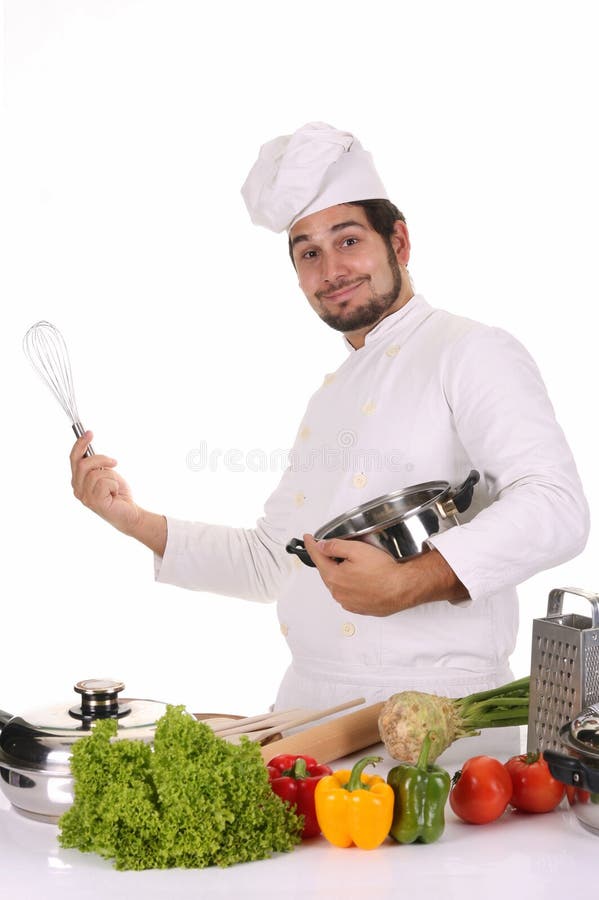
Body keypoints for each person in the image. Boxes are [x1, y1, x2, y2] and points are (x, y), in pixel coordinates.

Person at [70, 122, 589, 714]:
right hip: (308, 716)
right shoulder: (330, 396)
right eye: (308, 253)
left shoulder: (469, 350)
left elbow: (557, 504)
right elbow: (274, 562)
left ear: (399, 241)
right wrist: (130, 518)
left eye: (348, 241)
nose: (330, 271)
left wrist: (413, 579)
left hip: (434, 723)